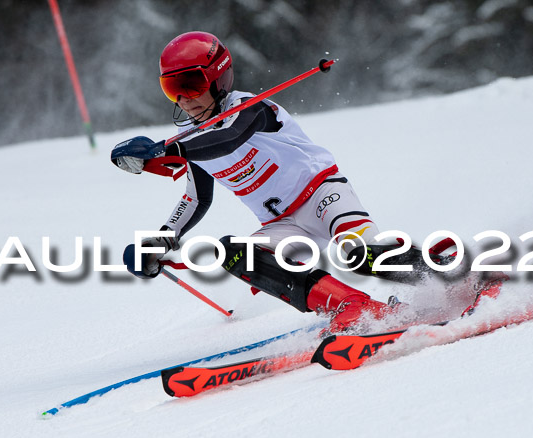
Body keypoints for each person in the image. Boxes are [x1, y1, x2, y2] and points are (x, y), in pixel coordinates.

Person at [111, 32, 458, 334]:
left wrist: (170, 149)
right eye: (173, 88)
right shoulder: (191, 137)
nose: (184, 99)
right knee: (236, 254)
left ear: (218, 80)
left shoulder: (249, 108)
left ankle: (455, 275)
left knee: (360, 256)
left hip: (322, 196)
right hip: (282, 225)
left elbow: (230, 137)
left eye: (191, 85)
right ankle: (351, 306)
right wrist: (162, 239)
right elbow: (196, 199)